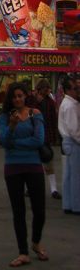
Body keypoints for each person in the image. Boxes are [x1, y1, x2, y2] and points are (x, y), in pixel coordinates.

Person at [0, 81, 48, 267]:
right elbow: (4, 141)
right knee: (18, 211)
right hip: (13, 167)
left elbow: (39, 140)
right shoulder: (4, 117)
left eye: (20, 95)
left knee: (39, 209)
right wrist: (11, 127)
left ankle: (36, 241)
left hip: (33, 165)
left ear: (26, 96)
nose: (18, 99)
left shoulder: (36, 114)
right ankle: (23, 251)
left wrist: (16, 143)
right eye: (14, 96)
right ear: (10, 99)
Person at [32, 78, 60, 199]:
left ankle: (53, 189)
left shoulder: (50, 102)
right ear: (40, 89)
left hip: (44, 136)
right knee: (35, 162)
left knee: (47, 161)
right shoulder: (33, 101)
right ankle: (31, 188)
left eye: (48, 88)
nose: (48, 90)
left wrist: (54, 135)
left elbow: (53, 119)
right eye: (46, 88)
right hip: (37, 135)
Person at [57, 75, 80, 215]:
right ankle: (76, 205)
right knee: (75, 176)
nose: (77, 91)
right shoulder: (70, 105)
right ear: (67, 89)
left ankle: (68, 204)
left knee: (69, 175)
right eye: (75, 88)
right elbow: (74, 130)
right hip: (73, 141)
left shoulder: (67, 103)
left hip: (67, 141)